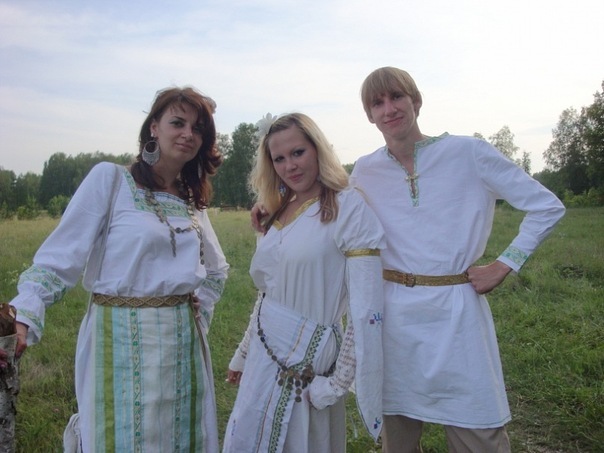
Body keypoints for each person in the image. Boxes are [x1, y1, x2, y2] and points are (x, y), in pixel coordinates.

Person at [350, 67, 566, 452]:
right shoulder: (366, 169)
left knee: (479, 434)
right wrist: (275, 206)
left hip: (456, 314)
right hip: (393, 318)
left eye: (397, 97)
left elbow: (546, 206)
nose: (389, 109)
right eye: (377, 103)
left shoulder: (469, 152)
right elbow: (331, 212)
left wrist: (504, 264)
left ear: (416, 101)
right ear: (369, 115)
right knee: (397, 438)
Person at [6, 86, 229, 452]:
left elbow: (216, 270)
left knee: (178, 437)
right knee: (119, 436)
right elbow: (60, 257)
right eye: (177, 122)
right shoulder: (110, 180)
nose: (188, 134)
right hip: (118, 338)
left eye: (198, 128)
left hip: (182, 344)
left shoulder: (191, 201)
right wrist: (26, 312)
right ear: (154, 127)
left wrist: (198, 312)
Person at [223, 113, 386, 453]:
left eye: (298, 152)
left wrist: (337, 384)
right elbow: (268, 295)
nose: (290, 166)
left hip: (307, 361)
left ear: (318, 149)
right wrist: (243, 353)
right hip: (265, 353)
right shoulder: (278, 209)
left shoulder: (348, 206)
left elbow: (366, 304)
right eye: (279, 158)